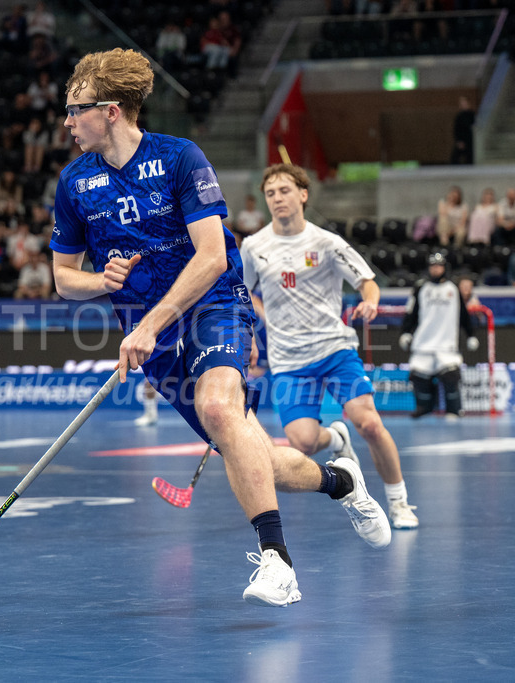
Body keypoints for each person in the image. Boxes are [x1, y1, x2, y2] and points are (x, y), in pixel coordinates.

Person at [49, 48, 390, 608]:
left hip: (213, 304)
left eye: (75, 109)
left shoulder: (180, 158)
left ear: (110, 110)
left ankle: (277, 560)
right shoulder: (74, 183)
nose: (67, 121)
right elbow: (64, 279)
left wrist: (151, 323)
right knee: (242, 446)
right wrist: (103, 282)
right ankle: (342, 481)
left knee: (217, 409)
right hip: (148, 335)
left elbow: (210, 255)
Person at [240, 163, 419, 531]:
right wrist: (251, 331)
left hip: (334, 350)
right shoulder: (255, 247)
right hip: (289, 359)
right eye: (271, 193)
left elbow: (367, 280)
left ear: (303, 195)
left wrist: (370, 300)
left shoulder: (326, 242)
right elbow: (239, 293)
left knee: (369, 423)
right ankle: (336, 436)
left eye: (285, 190)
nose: (277, 198)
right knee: (303, 443)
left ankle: (399, 501)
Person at [400, 252, 478, 419]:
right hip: (423, 343)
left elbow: (463, 314)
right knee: (419, 377)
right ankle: (424, 408)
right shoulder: (421, 288)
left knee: (450, 377)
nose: (436, 269)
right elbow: (411, 313)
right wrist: (406, 332)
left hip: (446, 344)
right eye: (433, 266)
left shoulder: (453, 288)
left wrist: (471, 334)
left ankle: (454, 410)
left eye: (439, 266)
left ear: (444, 267)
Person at [450, 95, 475, 165]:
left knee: (470, 159)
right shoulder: (459, 116)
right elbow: (456, 130)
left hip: (470, 141)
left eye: (464, 102)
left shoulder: (472, 115)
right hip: (461, 141)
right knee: (454, 158)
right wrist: (459, 141)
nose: (463, 104)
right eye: (461, 103)